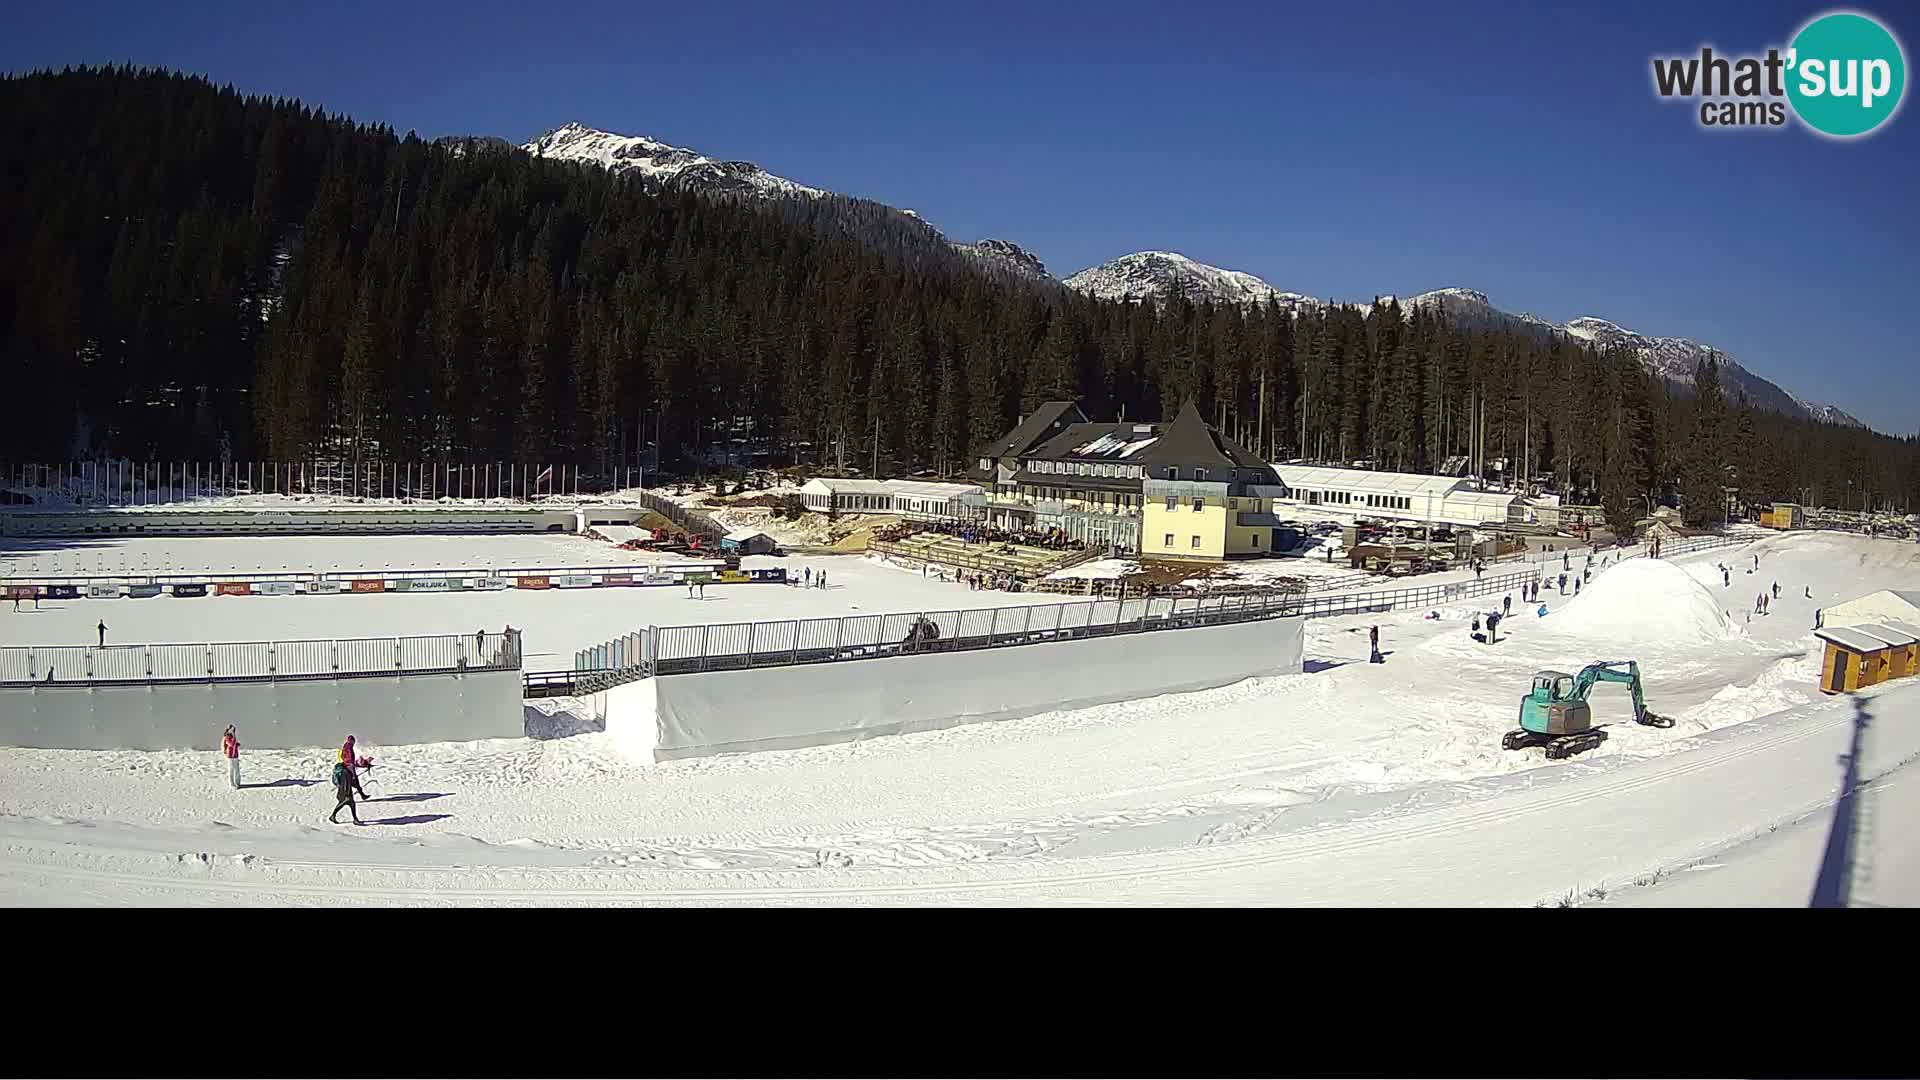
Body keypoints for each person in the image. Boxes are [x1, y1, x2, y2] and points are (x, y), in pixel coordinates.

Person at [329, 760, 363, 825]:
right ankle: (332, 816)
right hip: (346, 792)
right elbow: (350, 782)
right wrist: (356, 785)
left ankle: (355, 819)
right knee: (347, 803)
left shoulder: (342, 771)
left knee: (351, 804)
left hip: (342, 791)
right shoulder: (346, 772)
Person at [338, 735, 369, 800]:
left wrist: (345, 762)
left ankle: (360, 795)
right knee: (355, 781)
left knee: (349, 782)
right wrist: (351, 765)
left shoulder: (345, 746)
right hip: (350, 766)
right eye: (353, 741)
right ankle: (361, 796)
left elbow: (342, 756)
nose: (354, 743)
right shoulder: (349, 747)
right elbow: (350, 756)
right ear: (352, 741)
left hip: (346, 765)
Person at [221, 725, 241, 789]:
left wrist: (237, 744)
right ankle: (231, 784)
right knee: (231, 770)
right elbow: (232, 744)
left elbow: (234, 744)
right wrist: (234, 735)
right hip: (231, 756)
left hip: (235, 755)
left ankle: (237, 783)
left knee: (236, 770)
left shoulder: (231, 736)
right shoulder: (227, 737)